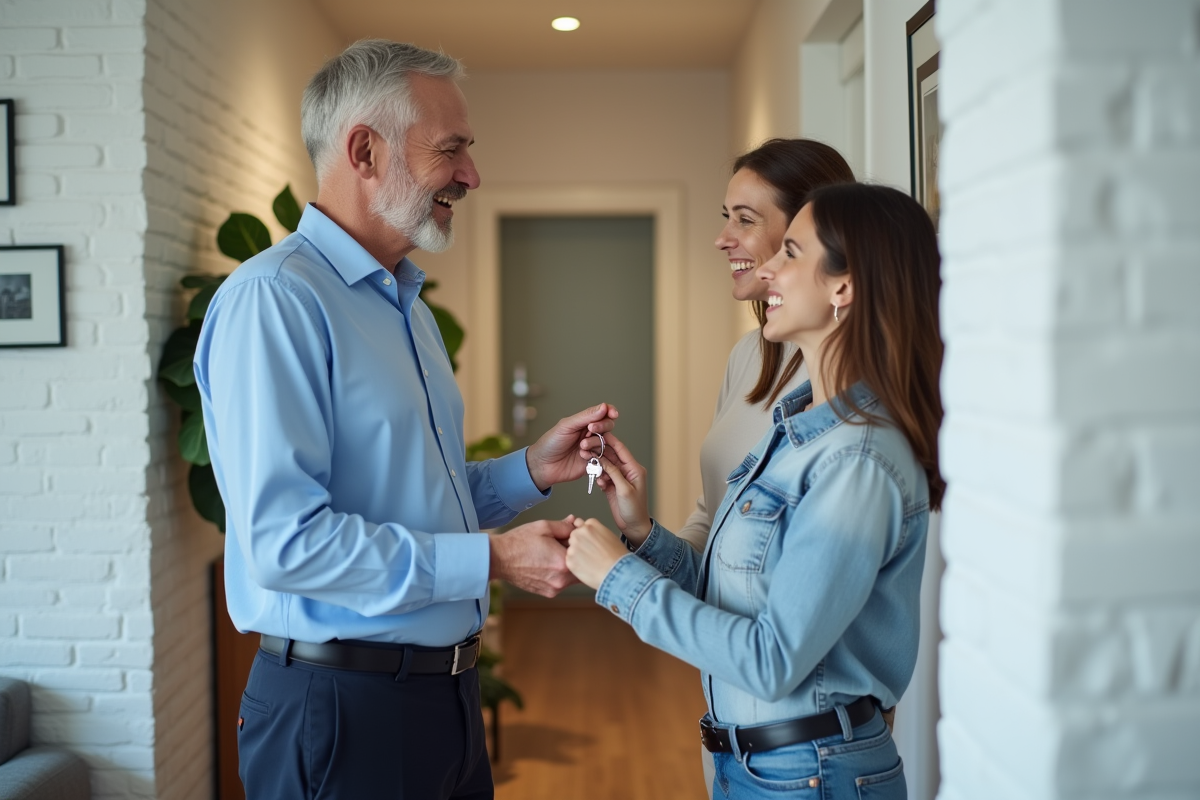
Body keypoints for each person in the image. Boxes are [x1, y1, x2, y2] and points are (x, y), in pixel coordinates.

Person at [194, 40, 614, 800]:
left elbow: (415, 497)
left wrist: (529, 469)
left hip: (442, 702)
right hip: (342, 711)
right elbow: (288, 545)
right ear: (364, 150)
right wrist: (493, 560)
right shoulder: (277, 303)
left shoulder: (406, 306)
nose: (471, 175)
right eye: (451, 150)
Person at [566, 183, 944, 799]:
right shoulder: (797, 431)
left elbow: (771, 659)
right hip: (761, 767)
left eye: (790, 252)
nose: (767, 269)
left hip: (808, 775)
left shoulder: (857, 462)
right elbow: (743, 599)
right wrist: (640, 533)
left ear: (842, 287)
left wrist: (619, 580)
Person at [677, 139, 854, 557]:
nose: (723, 239)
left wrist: (622, 578)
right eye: (727, 218)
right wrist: (642, 534)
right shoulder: (749, 354)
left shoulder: (848, 386)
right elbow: (713, 517)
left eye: (745, 220)